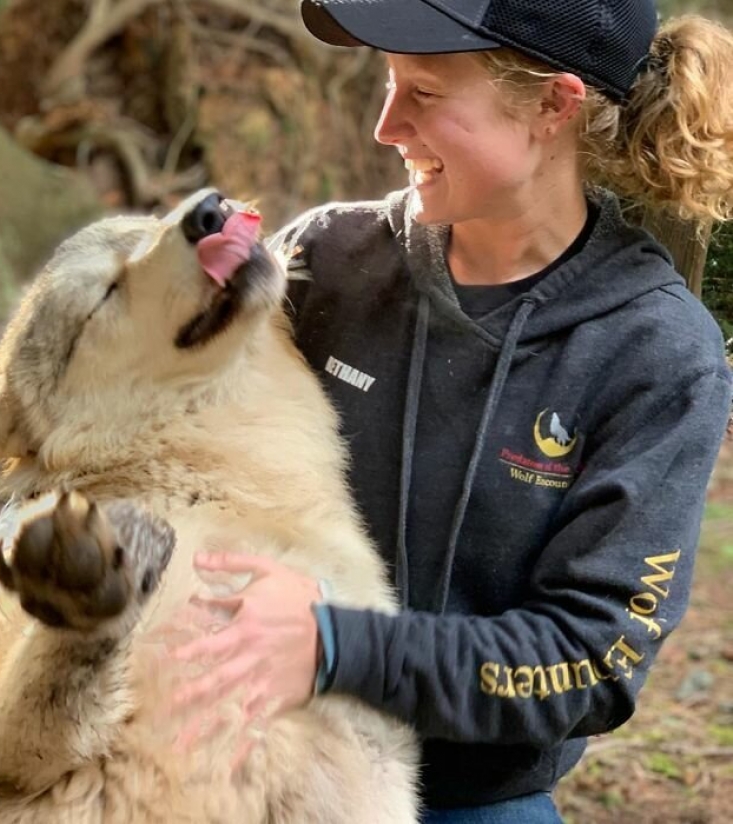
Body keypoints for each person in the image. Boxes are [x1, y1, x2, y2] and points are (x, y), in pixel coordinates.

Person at [167, 1, 733, 821]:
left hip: (462, 800)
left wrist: (332, 646)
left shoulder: (654, 353)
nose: (384, 126)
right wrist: (169, 322)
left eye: (424, 94)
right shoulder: (323, 261)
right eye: (387, 83)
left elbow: (588, 661)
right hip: (239, 762)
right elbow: (173, 450)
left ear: (553, 105)